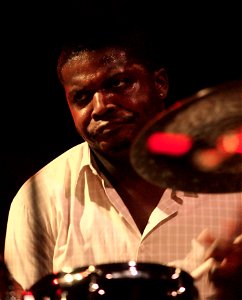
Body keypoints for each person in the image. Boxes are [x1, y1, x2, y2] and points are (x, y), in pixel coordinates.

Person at [4, 26, 242, 300]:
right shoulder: (41, 196)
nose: (101, 106)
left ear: (160, 83)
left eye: (118, 84)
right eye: (82, 97)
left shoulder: (232, 177)